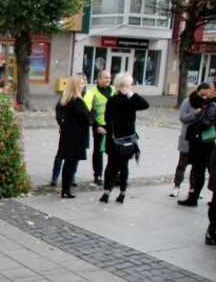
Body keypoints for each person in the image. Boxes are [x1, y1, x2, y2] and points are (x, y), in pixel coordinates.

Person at [99, 73, 150, 204]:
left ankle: (106, 192)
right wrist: (131, 95)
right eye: (131, 83)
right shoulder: (129, 101)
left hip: (115, 138)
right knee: (123, 166)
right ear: (125, 85)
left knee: (111, 165)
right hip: (127, 139)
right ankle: (122, 192)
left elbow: (106, 119)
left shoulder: (112, 100)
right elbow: (145, 104)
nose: (132, 86)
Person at [50, 73, 93, 187]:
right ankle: (61, 182)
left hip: (73, 133)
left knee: (71, 160)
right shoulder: (75, 100)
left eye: (84, 82)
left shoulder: (86, 96)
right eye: (80, 83)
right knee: (68, 159)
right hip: (75, 134)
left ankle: (69, 182)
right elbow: (85, 118)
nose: (82, 85)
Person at [178, 82, 216, 207]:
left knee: (201, 171)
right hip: (208, 143)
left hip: (205, 143)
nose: (208, 92)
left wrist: (195, 130)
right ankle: (194, 197)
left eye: (211, 89)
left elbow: (206, 122)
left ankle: (194, 198)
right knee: (205, 171)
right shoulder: (207, 104)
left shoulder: (212, 105)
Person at [170, 83, 211, 197]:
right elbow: (183, 118)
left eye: (206, 95)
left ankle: (193, 188)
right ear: (197, 92)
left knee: (196, 166)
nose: (203, 97)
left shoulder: (209, 104)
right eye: (202, 94)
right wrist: (195, 113)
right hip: (187, 139)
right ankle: (177, 185)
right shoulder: (187, 102)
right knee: (182, 164)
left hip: (199, 140)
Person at [89, 70, 114, 186]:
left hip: (112, 125)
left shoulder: (113, 90)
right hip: (99, 126)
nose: (108, 80)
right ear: (99, 79)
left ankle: (114, 175)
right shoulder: (92, 92)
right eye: (105, 78)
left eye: (109, 78)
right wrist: (97, 126)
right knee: (98, 151)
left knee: (113, 152)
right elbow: (90, 113)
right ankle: (97, 175)